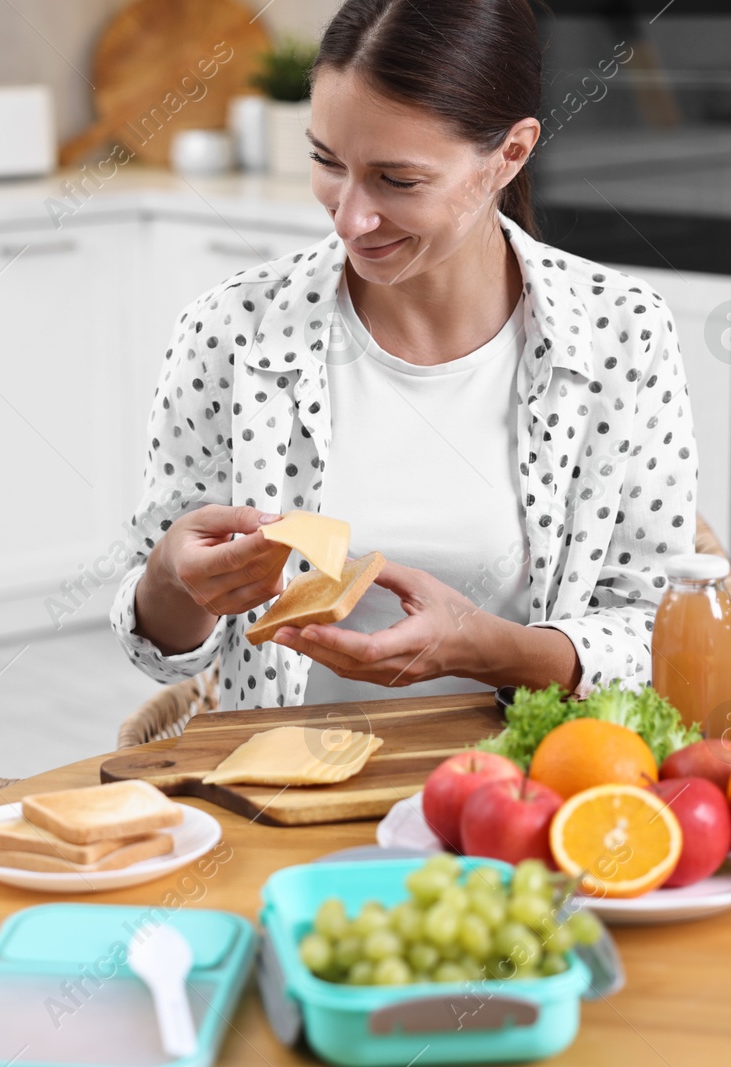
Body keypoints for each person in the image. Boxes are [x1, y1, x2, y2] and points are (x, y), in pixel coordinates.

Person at [112, 0, 698, 711]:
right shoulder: (230, 330)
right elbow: (159, 648)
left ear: (509, 155)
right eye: (327, 162)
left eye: (398, 180)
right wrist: (175, 580)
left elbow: (661, 634)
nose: (351, 216)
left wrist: (491, 649)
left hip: (525, 799)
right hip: (281, 796)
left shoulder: (622, 335)